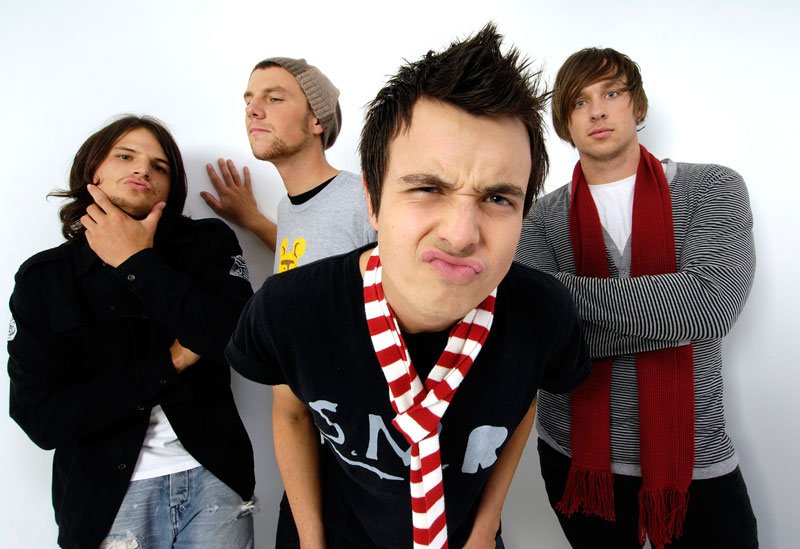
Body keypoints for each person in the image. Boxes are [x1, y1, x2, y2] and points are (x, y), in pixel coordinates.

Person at [227, 24, 591, 548]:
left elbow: (521, 401)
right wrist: (310, 540)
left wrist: (486, 527)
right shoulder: (289, 310)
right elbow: (290, 413)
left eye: (497, 199)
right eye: (426, 188)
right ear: (372, 202)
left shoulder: (542, 313)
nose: (461, 236)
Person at [515, 47, 758, 549]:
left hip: (694, 454)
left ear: (637, 105)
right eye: (579, 101)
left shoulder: (712, 188)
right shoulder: (537, 217)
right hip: (577, 458)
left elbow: (712, 305)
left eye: (611, 93)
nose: (597, 111)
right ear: (564, 122)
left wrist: (560, 296)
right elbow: (536, 336)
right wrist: (670, 319)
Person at [7, 115, 257, 549]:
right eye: (125, 156)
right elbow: (42, 418)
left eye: (160, 166)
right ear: (93, 171)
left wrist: (136, 261)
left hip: (213, 478)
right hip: (104, 498)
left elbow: (240, 342)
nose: (143, 169)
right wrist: (171, 362)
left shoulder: (207, 244)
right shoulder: (43, 278)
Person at [200, 57, 375, 272]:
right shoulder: (286, 208)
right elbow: (308, 261)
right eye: (248, 101)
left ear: (317, 120)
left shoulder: (365, 199)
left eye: (274, 98)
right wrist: (251, 218)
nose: (251, 110)